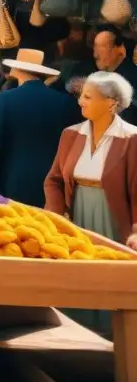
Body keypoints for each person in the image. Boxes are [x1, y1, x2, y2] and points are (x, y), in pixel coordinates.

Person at [45, 71, 137, 337]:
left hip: (113, 217)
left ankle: (113, 337)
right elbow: (53, 180)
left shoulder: (132, 139)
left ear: (111, 102)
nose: (80, 102)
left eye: (87, 96)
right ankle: (79, 334)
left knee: (111, 276)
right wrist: (56, 213)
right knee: (78, 274)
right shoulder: (70, 134)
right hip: (76, 217)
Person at [0, 49, 81, 207]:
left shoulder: (5, 99)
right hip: (54, 181)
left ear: (17, 70)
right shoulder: (64, 102)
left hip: (13, 179)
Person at [92, 27, 137, 123]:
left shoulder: (131, 79)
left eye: (103, 47)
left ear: (120, 49)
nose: (96, 54)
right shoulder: (99, 74)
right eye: (95, 46)